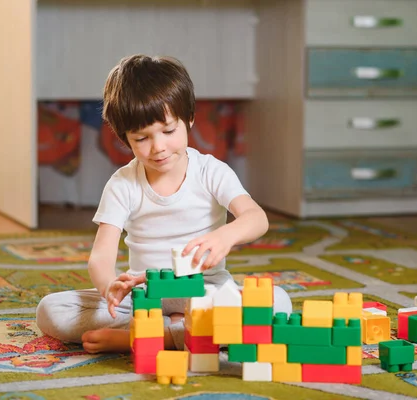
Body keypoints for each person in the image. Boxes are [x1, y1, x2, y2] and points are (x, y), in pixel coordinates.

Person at [35, 54, 292, 354]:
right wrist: (109, 288)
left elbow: (256, 217)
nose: (158, 147)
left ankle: (156, 337)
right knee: (51, 311)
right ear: (124, 138)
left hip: (205, 291)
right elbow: (100, 257)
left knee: (278, 304)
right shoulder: (123, 184)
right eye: (141, 138)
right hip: (145, 297)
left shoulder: (212, 171)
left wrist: (226, 235)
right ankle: (186, 332)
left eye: (168, 131)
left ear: (190, 118)